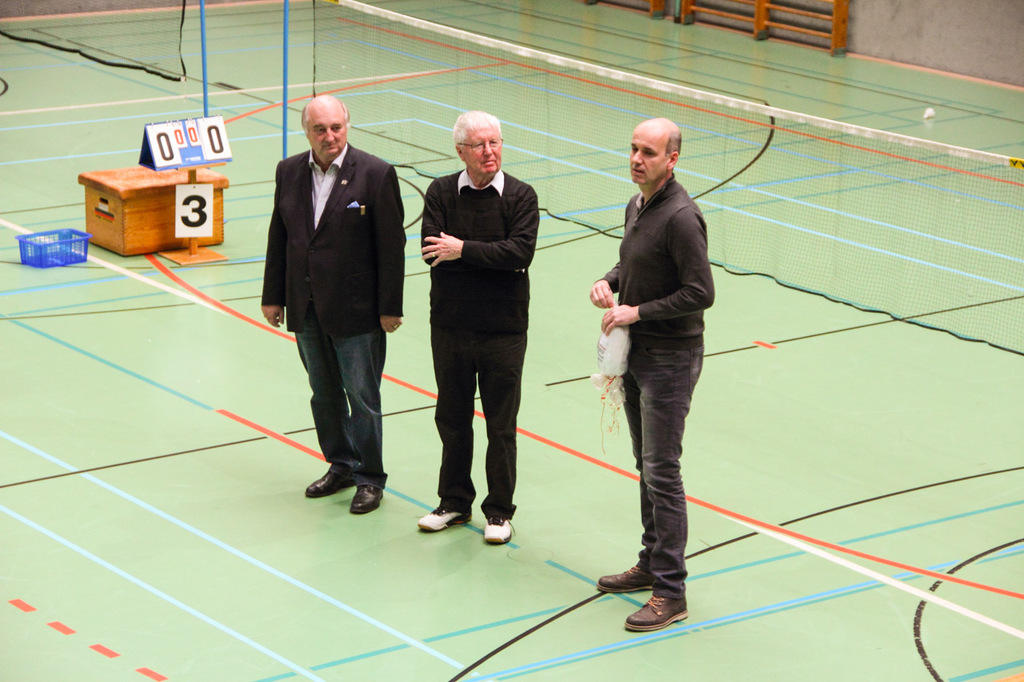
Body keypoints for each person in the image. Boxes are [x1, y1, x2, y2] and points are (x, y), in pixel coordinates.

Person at [589, 117, 714, 631]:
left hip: (671, 359)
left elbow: (700, 292)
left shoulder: (682, 217)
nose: (637, 159)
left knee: (662, 470)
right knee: (646, 464)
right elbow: (634, 265)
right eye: (634, 149)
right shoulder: (637, 205)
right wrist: (609, 280)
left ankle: (671, 592)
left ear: (672, 160)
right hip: (639, 354)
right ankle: (650, 562)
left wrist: (636, 311)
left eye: (649, 152)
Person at [261, 95, 405, 515]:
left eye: (336, 127)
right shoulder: (288, 171)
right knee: (323, 394)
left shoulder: (376, 174)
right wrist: (273, 295)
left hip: (357, 311)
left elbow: (391, 246)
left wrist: (390, 306)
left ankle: (370, 478)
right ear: (307, 132)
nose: (330, 137)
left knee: (362, 397)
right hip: (305, 306)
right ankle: (341, 465)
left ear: (347, 126)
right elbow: (279, 236)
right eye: (320, 129)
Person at [416, 110, 539, 545]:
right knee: (452, 418)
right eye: (479, 145)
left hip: (504, 331)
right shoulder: (440, 192)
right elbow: (432, 251)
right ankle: (453, 501)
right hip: (450, 328)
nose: (489, 151)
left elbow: (519, 253)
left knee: (500, 425)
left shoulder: (521, 197)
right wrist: (487, 256)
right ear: (461, 151)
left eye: (495, 143)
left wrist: (462, 249)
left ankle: (499, 511)